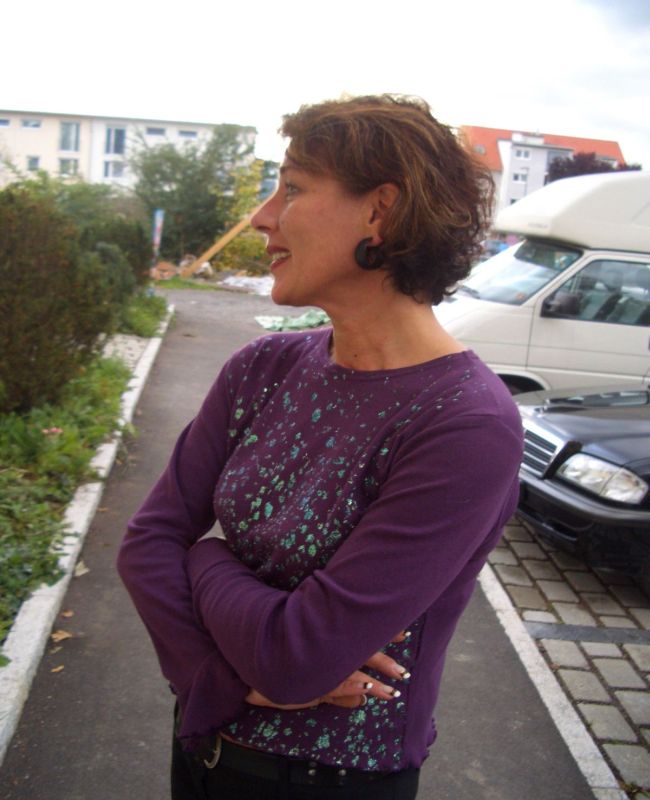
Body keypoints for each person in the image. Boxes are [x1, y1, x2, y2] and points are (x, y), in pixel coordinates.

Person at [118, 94, 524, 800]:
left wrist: (204, 556)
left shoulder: (465, 424)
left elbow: (295, 659)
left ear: (381, 211)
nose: (262, 217)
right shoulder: (263, 367)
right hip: (203, 741)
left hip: (330, 780)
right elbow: (146, 542)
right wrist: (216, 679)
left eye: (293, 189)